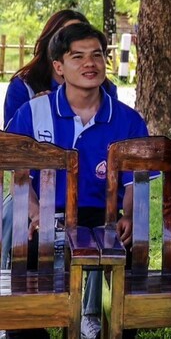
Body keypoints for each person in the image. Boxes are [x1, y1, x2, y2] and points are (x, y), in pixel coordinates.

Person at [5, 23, 147, 339]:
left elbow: (134, 184)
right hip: (47, 216)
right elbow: (19, 175)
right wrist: (35, 213)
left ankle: (108, 325)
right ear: (59, 66)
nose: (90, 64)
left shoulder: (128, 119)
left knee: (127, 254)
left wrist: (129, 215)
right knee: (26, 268)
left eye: (97, 55)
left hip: (102, 218)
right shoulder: (32, 113)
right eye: (78, 56)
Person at [3, 9, 117, 127]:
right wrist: (33, 112)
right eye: (66, 34)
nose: (89, 63)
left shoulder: (106, 88)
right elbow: (11, 135)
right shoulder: (24, 86)